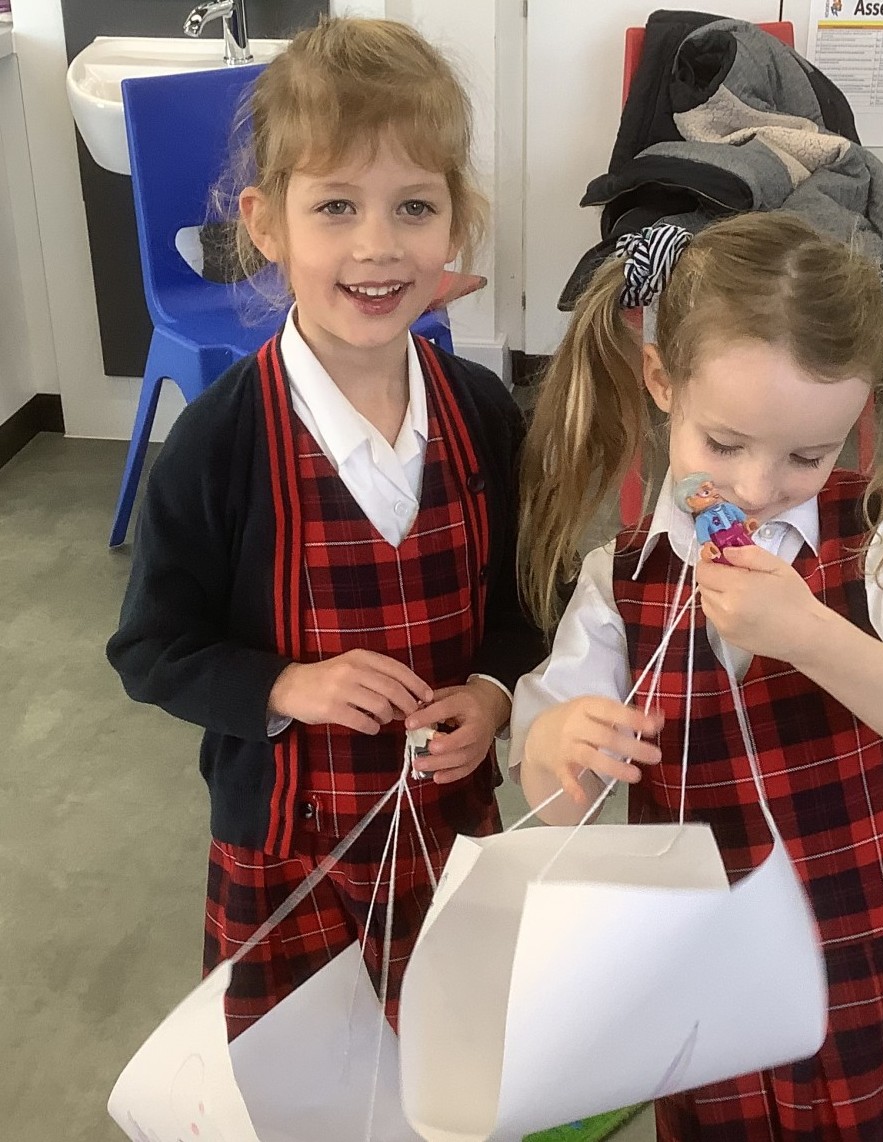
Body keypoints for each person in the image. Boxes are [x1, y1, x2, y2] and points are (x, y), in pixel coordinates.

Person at [511, 213, 883, 1141]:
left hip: (878, 963)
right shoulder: (619, 583)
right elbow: (556, 801)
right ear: (661, 381)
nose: (758, 489)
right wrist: (559, 747)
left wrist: (809, 635)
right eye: (723, 444)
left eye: (808, 455)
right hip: (720, 983)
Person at [107, 16, 542, 1038]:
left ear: (457, 222)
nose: (377, 244)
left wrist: (493, 692)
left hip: (451, 834)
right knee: (295, 1076)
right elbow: (151, 648)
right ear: (267, 223)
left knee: (449, 1055)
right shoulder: (220, 441)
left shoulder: (485, 414)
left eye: (414, 206)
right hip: (283, 859)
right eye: (336, 205)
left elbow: (529, 605)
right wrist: (285, 685)